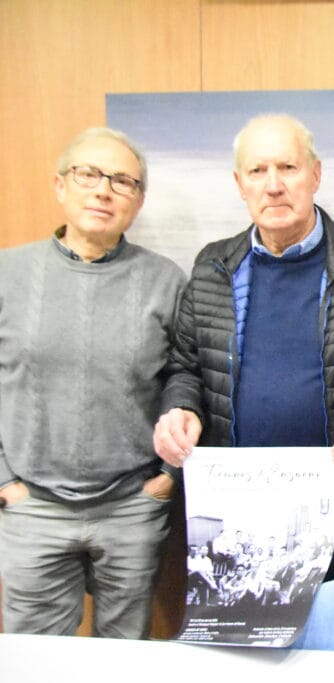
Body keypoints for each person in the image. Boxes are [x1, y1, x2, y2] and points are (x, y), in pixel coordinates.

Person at [152, 113, 334, 579]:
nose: (273, 185)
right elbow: (185, 367)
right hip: (235, 514)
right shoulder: (212, 266)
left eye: (288, 168)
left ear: (316, 175)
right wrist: (182, 409)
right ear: (240, 183)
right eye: (257, 171)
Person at [0, 127, 185, 637]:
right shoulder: (7, 274)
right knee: (34, 661)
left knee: (125, 657)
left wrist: (166, 479)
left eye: (123, 181)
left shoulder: (166, 281)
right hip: (32, 506)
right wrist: (5, 483)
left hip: (132, 506)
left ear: (138, 201)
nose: (104, 190)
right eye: (89, 174)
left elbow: (186, 381)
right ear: (61, 186)